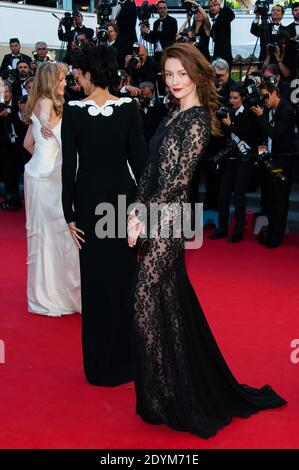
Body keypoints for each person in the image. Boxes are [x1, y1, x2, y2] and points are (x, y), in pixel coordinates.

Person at [127, 42, 286, 438]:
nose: (175, 81)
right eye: (169, 74)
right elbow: (150, 168)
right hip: (154, 216)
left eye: (182, 74)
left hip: (169, 222)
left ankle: (172, 393)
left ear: (197, 74)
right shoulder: (171, 114)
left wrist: (144, 221)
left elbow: (177, 182)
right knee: (168, 302)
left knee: (143, 301)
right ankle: (168, 392)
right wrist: (133, 208)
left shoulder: (197, 119)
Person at [61, 44, 147, 386]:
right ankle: (117, 363)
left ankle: (108, 363)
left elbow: (71, 168)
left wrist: (69, 212)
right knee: (113, 280)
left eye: (79, 72)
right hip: (114, 203)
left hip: (97, 203)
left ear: (90, 72)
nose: (76, 79)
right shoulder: (124, 108)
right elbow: (140, 165)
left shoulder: (81, 111)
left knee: (107, 282)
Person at [23, 62, 81, 316]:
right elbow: (45, 116)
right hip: (45, 180)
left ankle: (57, 292)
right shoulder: (45, 102)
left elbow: (27, 143)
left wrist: (46, 159)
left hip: (44, 176)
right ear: (50, 80)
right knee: (53, 235)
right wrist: (48, 162)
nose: (65, 82)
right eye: (61, 79)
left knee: (54, 235)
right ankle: (52, 295)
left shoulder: (47, 103)